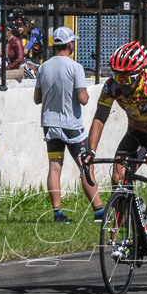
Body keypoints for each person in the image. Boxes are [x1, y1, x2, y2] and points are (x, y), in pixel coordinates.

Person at [85, 41, 147, 244]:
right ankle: (133, 226)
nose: (121, 82)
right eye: (117, 76)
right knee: (118, 177)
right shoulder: (112, 86)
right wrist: (90, 151)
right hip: (137, 133)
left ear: (139, 72)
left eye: (126, 77)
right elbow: (100, 116)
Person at [33, 27, 103, 224]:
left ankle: (57, 213)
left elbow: (37, 99)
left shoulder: (44, 67)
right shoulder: (75, 67)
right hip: (71, 126)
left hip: (49, 125)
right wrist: (86, 94)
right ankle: (99, 211)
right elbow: (83, 99)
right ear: (70, 44)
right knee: (85, 166)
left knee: (54, 168)